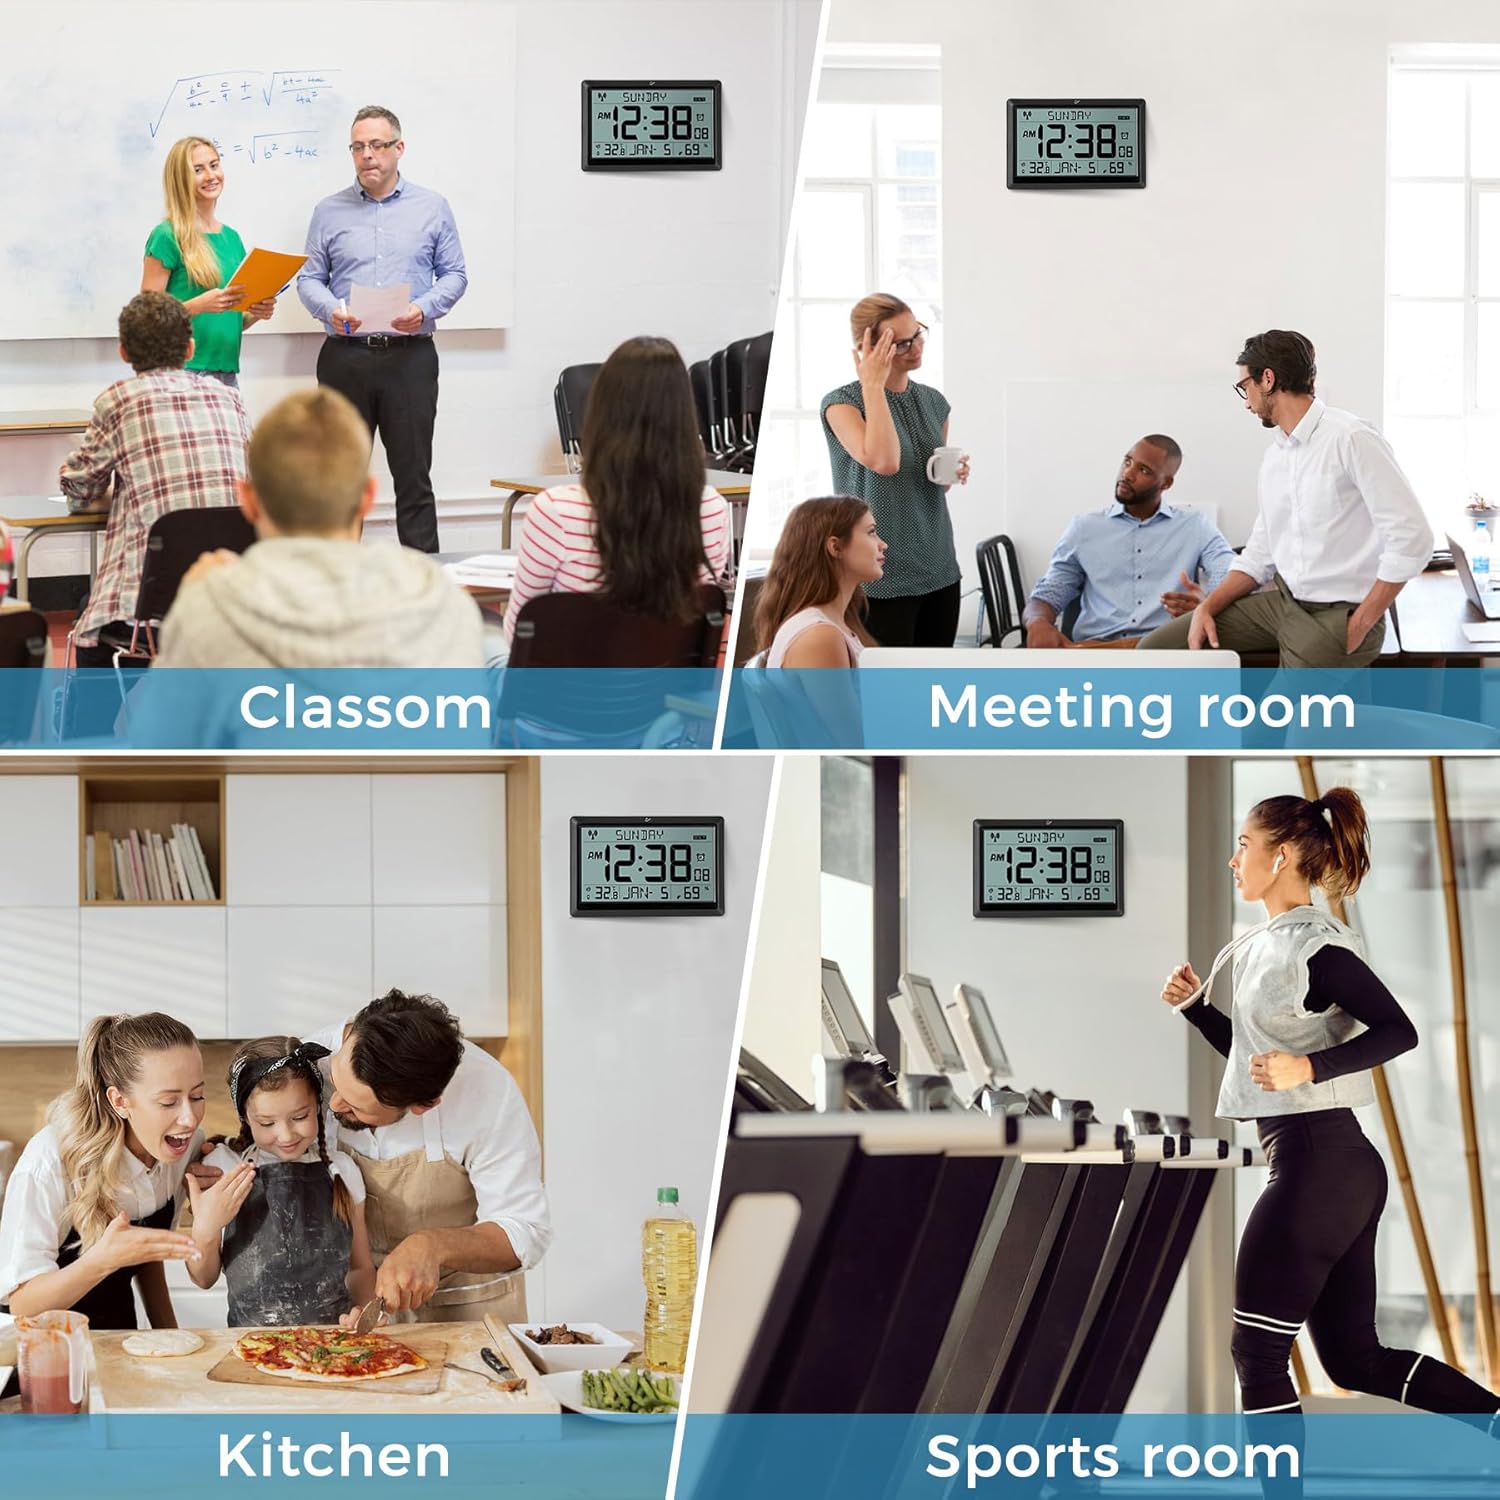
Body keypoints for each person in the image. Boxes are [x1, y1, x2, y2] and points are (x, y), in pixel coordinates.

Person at [1161, 788, 1499, 1429]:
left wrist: (1309, 1068)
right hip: (1330, 1163)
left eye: (1243, 845)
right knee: (1353, 1361)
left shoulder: (1313, 946)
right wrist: (1198, 1011)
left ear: (1280, 855)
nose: (1235, 860)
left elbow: (1400, 1029)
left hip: (1319, 1163)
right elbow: (1259, 1062)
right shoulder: (1267, 947)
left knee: (1257, 1352)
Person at [189, 991, 550, 1324]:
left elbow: (525, 1231)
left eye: (355, 1106)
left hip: (465, 1305)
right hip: (354, 1311)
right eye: (334, 1086)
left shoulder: (486, 1092)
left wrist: (434, 1246)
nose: (332, 1105)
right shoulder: (311, 1060)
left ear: (423, 1106)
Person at [1138, 331, 1434, 665]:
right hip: (1283, 604)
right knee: (1156, 649)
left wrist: (1361, 623)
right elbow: (1260, 554)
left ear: (1267, 379)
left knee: (1275, 717)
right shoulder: (1276, 455)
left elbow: (1413, 539)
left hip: (1337, 616)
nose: (1246, 401)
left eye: (1244, 387)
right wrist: (1207, 606)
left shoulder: (1351, 438)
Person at [155, 387, 484, 668]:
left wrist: (194, 597)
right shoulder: (445, 605)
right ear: (368, 496)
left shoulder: (210, 611)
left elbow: (155, 737)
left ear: (249, 501)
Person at [297, 106, 467, 554]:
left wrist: (424, 307)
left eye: (376, 145)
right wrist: (330, 309)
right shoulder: (329, 211)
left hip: (410, 358)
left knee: (413, 478)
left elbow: (455, 275)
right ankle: (335, 588)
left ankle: (422, 594)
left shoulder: (432, 207)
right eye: (358, 147)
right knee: (337, 479)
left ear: (398, 148)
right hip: (344, 358)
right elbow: (308, 278)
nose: (366, 155)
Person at [501, 336, 731, 647]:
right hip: (665, 692)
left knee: (481, 638)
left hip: (564, 692)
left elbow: (518, 633)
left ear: (601, 411)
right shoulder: (713, 508)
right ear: (685, 415)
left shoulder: (556, 511)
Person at [60, 292, 248, 665]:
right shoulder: (230, 399)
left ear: (123, 353)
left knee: (90, 616)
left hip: (153, 609)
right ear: (191, 348)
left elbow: (80, 489)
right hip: (232, 597)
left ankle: (92, 723)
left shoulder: (117, 401)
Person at [0, 1013, 204, 1328]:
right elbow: (22, 1304)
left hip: (118, 1337)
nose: (190, 1119)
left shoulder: (180, 1145)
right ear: (120, 1101)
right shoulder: (50, 1161)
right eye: (168, 1102)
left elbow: (147, 1252)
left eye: (197, 1095)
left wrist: (169, 1335)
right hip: (45, 1349)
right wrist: (103, 1259)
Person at [187, 1037, 375, 1328]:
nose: (286, 1135)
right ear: (245, 1118)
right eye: (266, 1123)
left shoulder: (342, 1171)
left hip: (334, 1344)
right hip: (251, 1348)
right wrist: (206, 1230)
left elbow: (361, 1266)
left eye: (300, 1116)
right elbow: (203, 1278)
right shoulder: (224, 1169)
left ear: (318, 1106)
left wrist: (363, 1313)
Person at [821, 293, 969, 648]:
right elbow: (884, 462)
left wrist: (952, 473)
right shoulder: (842, 404)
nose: (915, 347)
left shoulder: (935, 402)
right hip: (878, 574)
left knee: (933, 683)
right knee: (889, 690)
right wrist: (873, 385)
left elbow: (929, 485)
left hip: (938, 564)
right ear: (867, 349)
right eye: (900, 344)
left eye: (917, 334)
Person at [1023, 435, 1237, 647]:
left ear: (1166, 483)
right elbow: (1050, 591)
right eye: (1127, 462)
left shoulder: (1195, 526)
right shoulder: (1084, 528)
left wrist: (1207, 604)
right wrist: (1037, 622)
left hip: (1164, 650)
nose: (1127, 474)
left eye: (1143, 470)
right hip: (1094, 651)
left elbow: (1229, 575)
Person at [142, 136, 277, 388]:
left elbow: (230, 319)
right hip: (181, 374)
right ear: (180, 179)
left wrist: (256, 314)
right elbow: (146, 320)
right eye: (197, 170)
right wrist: (198, 305)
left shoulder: (232, 238)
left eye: (214, 165)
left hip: (226, 374)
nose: (210, 175)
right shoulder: (167, 236)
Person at [752, 497, 884, 667]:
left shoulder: (836, 625)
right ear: (835, 547)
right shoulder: (820, 637)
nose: (883, 544)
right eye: (871, 532)